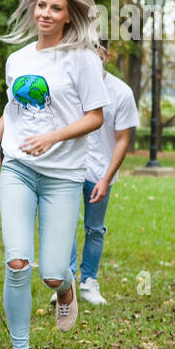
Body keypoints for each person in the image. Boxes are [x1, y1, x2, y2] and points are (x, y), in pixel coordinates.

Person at [0, 0, 108, 349]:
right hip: (18, 169)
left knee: (53, 270)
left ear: (69, 16)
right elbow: (12, 113)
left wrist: (53, 136)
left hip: (63, 176)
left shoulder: (82, 59)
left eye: (55, 9)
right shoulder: (18, 60)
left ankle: (64, 288)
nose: (45, 14)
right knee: (16, 262)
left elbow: (95, 116)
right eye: (41, 6)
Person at [67, 41, 140, 305]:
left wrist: (107, 178)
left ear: (106, 57)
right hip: (69, 169)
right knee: (65, 226)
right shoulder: (69, 87)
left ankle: (89, 282)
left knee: (94, 229)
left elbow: (122, 140)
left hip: (100, 173)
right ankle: (67, 283)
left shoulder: (121, 92)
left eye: (96, 56)